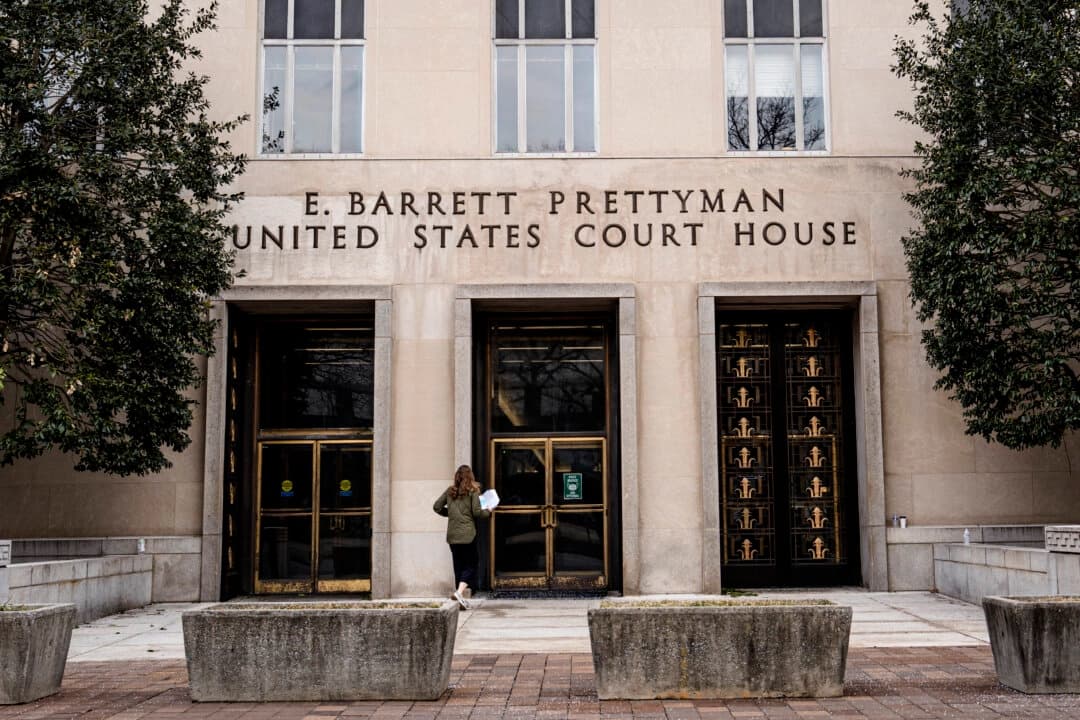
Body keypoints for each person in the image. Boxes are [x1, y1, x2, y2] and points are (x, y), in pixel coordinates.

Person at [433, 464, 490, 609]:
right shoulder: (473, 491)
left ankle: (460, 598)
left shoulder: (450, 491)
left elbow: (436, 507)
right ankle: (459, 592)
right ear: (470, 476)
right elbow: (477, 512)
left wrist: (451, 515)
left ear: (457, 477)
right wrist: (488, 510)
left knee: (458, 566)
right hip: (467, 535)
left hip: (453, 535)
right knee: (472, 564)